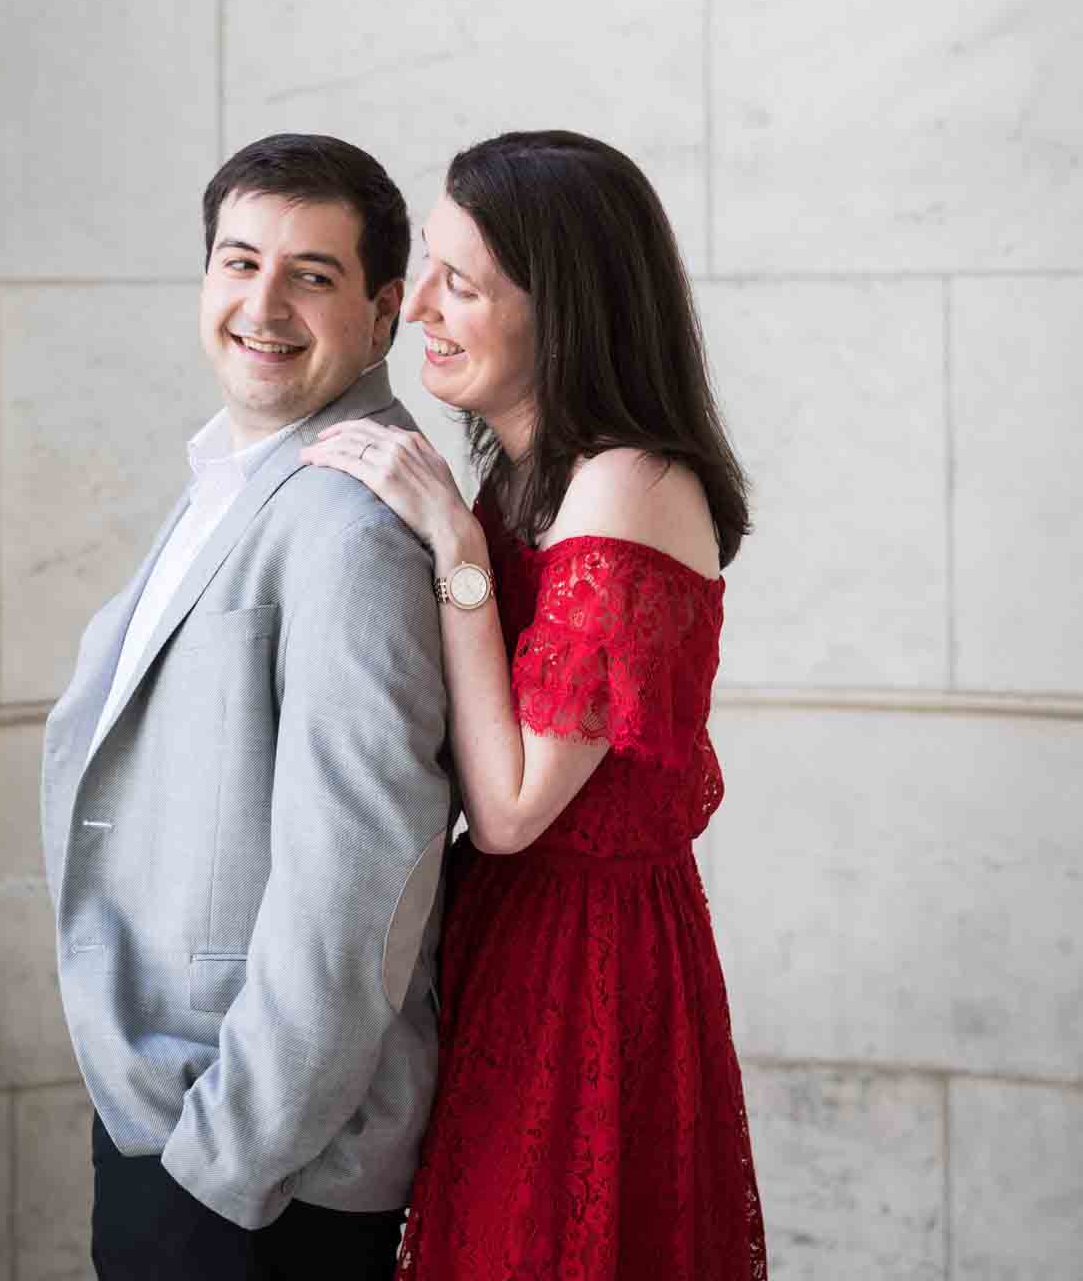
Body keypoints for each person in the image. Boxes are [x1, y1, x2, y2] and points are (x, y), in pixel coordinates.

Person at [303, 129, 768, 1280]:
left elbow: (512, 808)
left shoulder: (627, 483)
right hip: (521, 939)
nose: (421, 309)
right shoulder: (534, 469)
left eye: (461, 284)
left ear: (559, 307)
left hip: (587, 965)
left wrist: (457, 546)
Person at [41, 134, 453, 1281]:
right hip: (178, 1117)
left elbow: (361, 879)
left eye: (311, 275)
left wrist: (225, 1157)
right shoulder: (243, 471)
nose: (262, 303)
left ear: (380, 315)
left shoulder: (352, 524)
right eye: (239, 261)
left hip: (259, 1167)